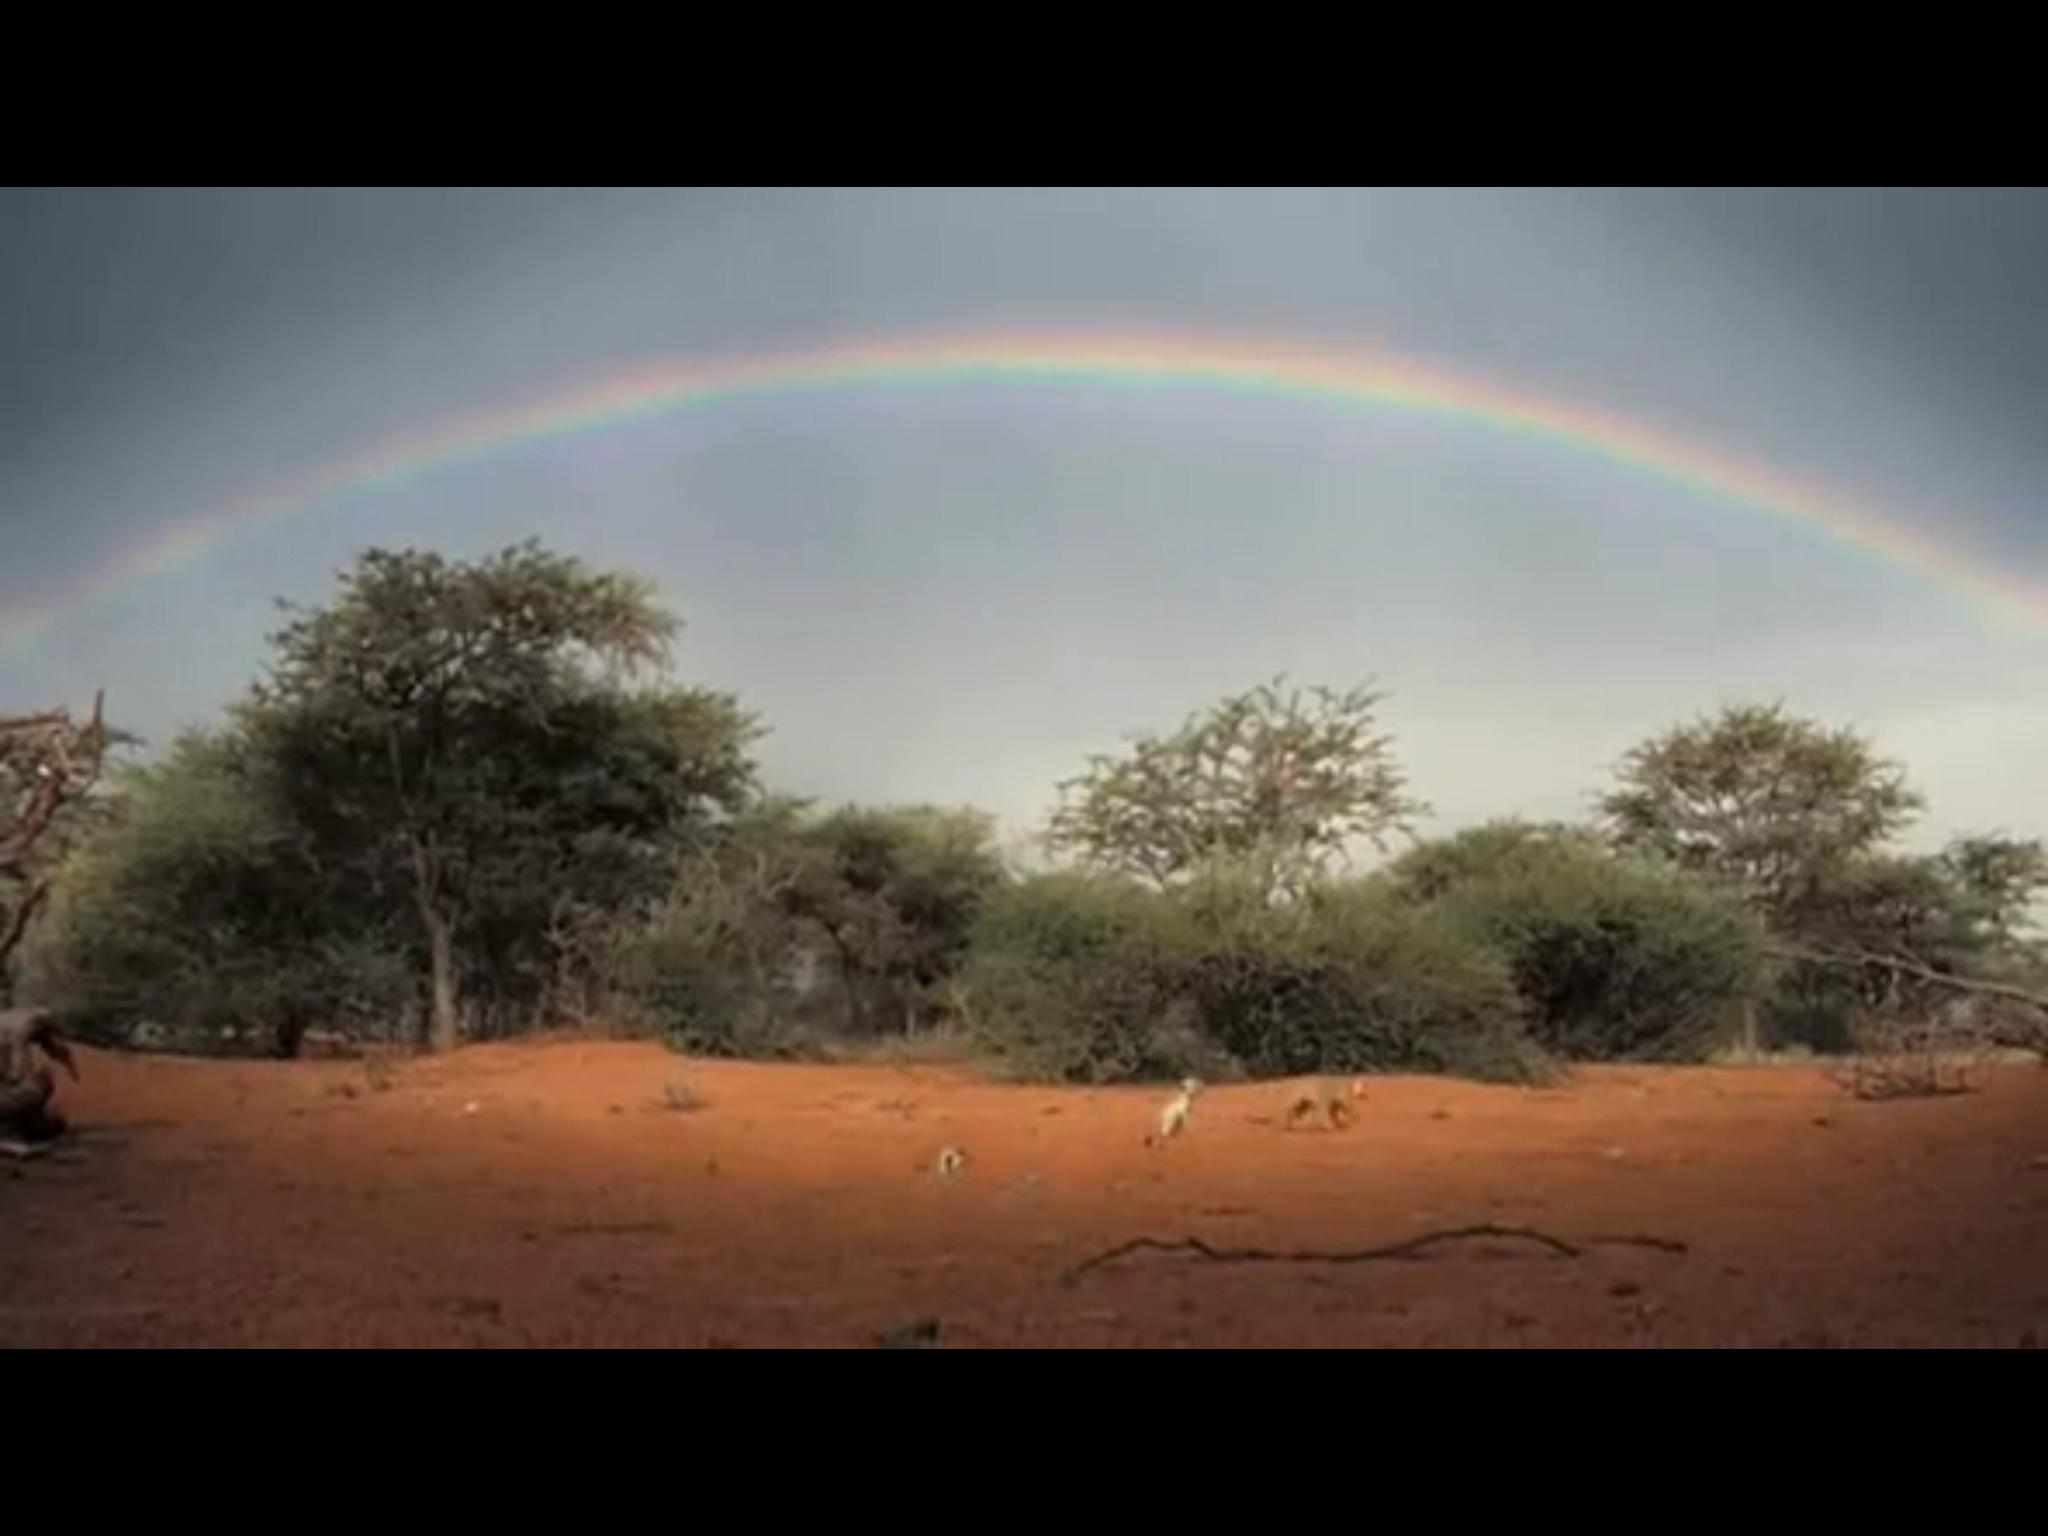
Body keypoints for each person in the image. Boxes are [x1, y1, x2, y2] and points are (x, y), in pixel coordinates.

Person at [0, 1007, 78, 1157]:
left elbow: (57, 1048)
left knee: (53, 1122)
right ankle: (7, 1134)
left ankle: (12, 1130)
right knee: (34, 1090)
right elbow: (19, 1073)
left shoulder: (22, 1023)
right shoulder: (23, 1028)